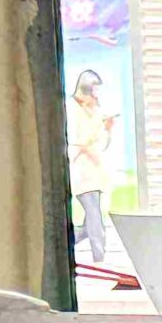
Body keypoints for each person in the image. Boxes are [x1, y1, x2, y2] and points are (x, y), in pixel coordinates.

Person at [67, 70, 116, 265]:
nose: (95, 97)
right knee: (95, 218)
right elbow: (78, 142)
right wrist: (90, 147)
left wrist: (107, 129)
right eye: (93, 93)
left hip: (95, 174)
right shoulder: (72, 110)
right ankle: (100, 259)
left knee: (90, 224)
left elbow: (101, 144)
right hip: (80, 173)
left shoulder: (96, 111)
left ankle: (66, 242)